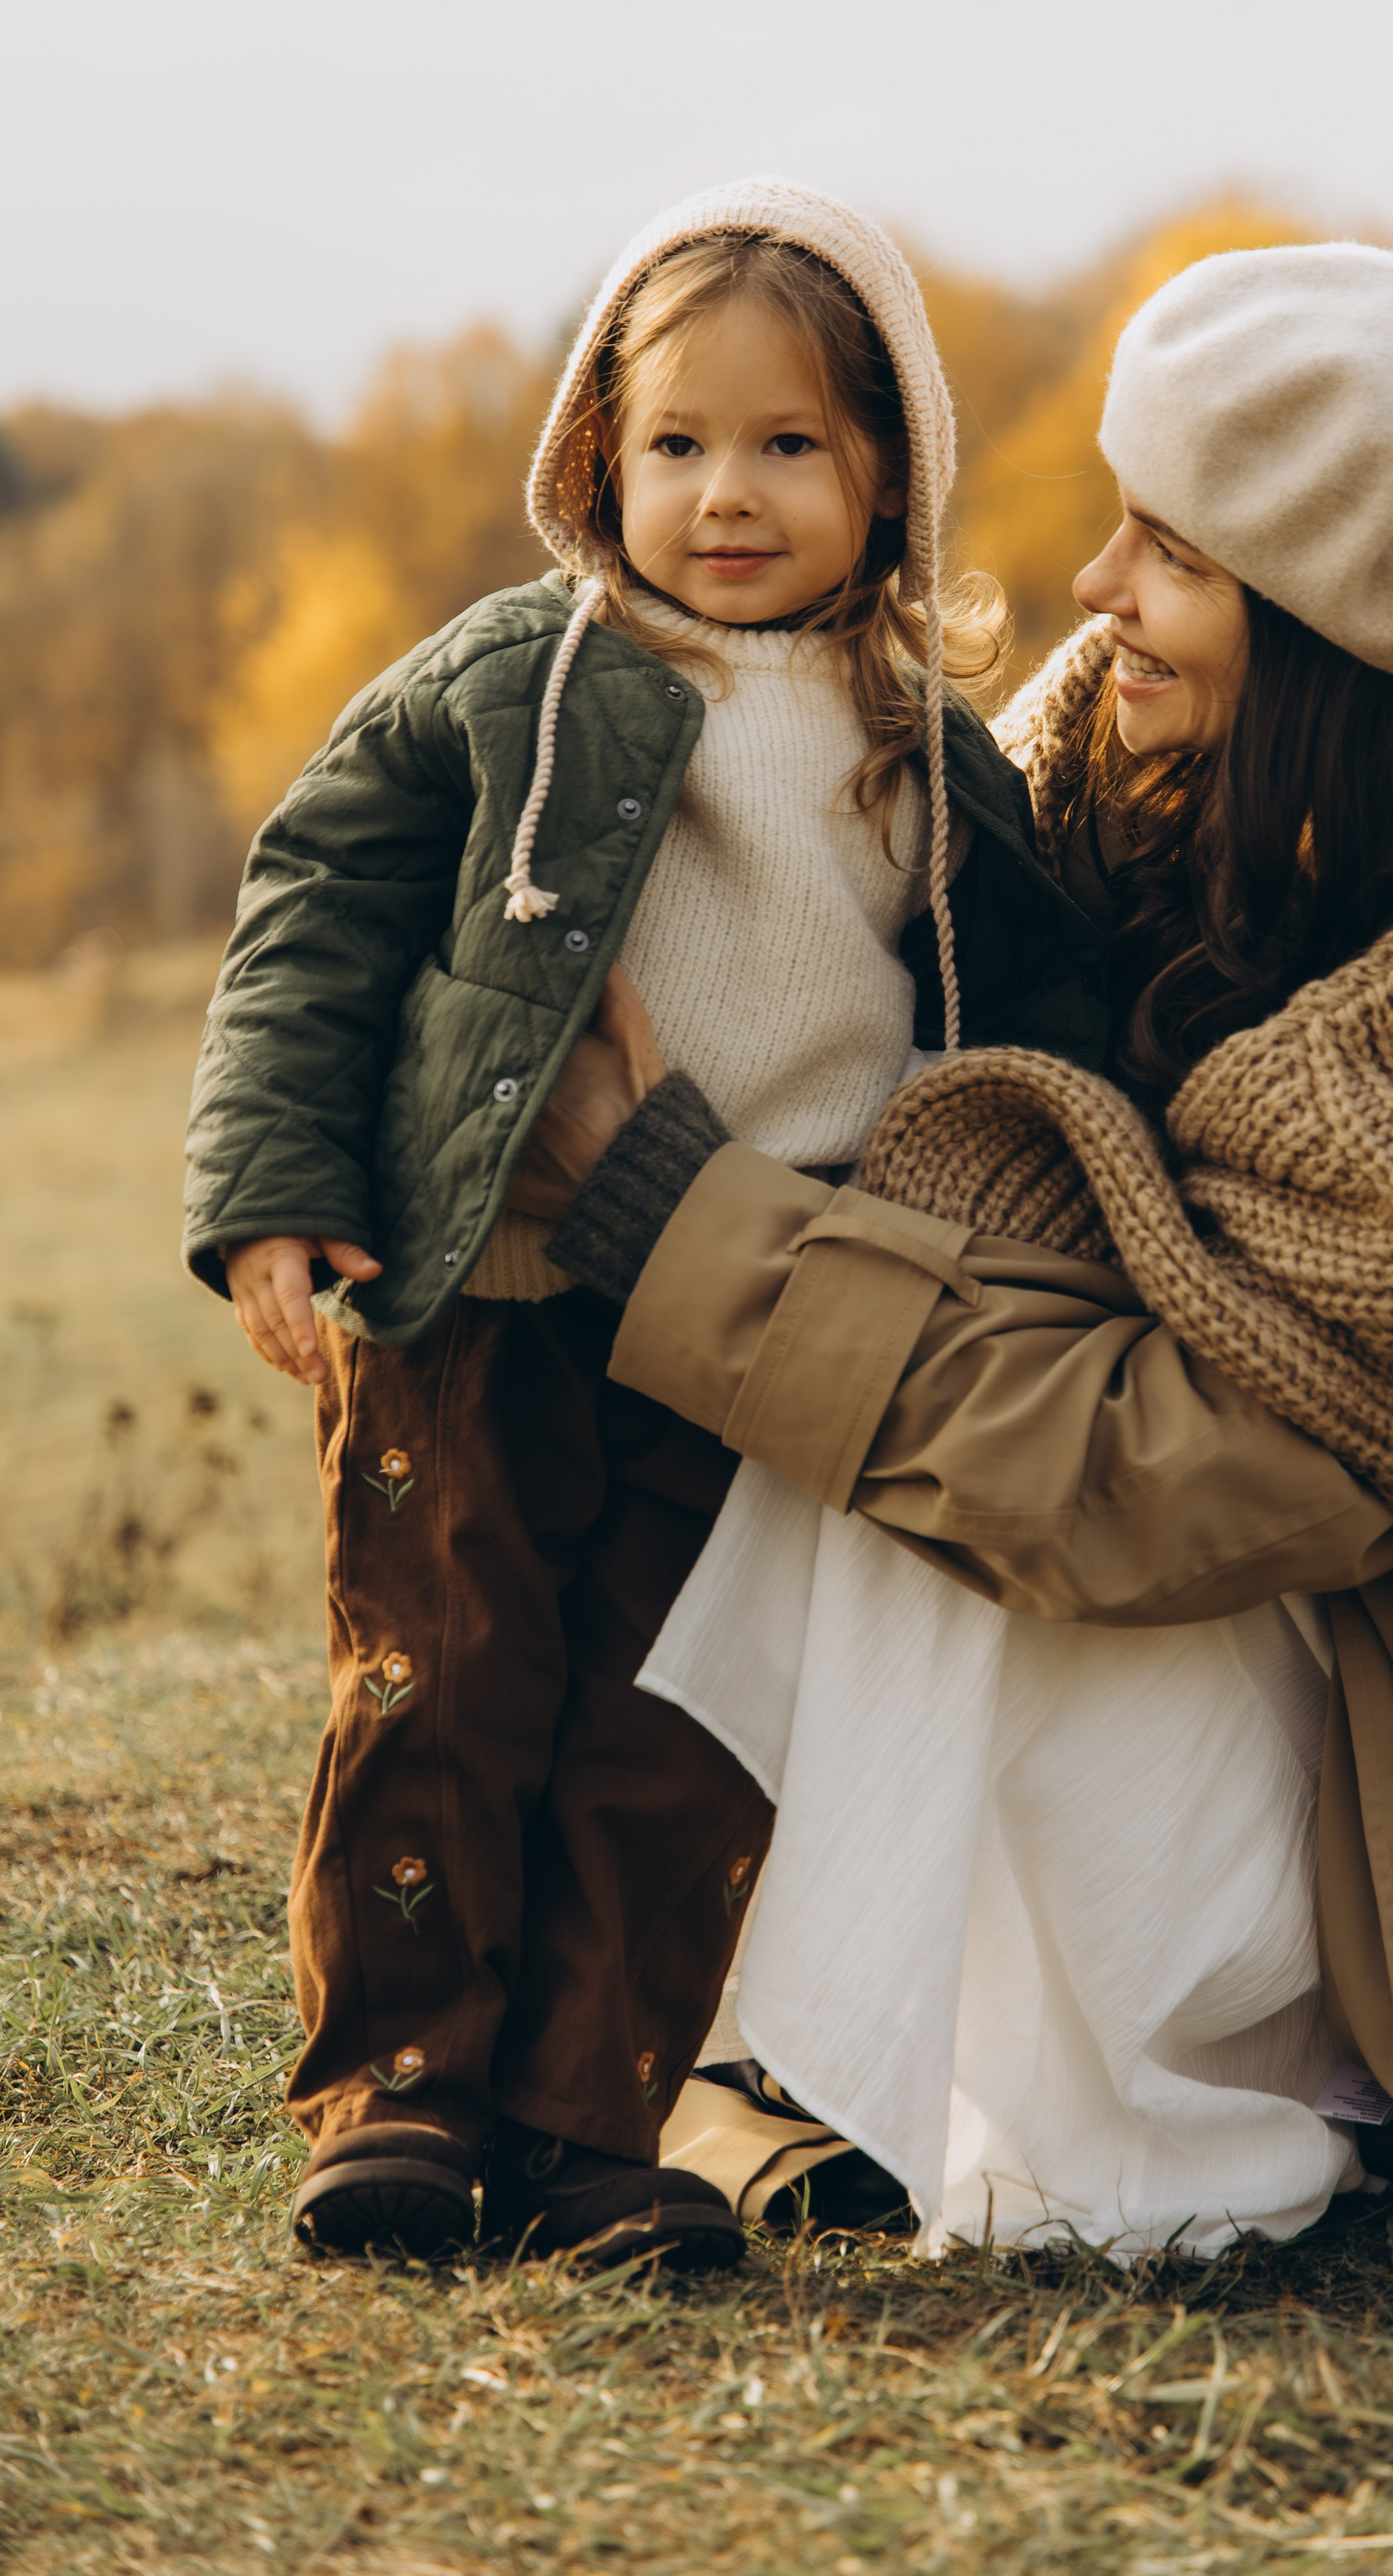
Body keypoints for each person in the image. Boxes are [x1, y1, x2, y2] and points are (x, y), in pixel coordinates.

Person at [520, 241, 1393, 2252]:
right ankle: (759, 2051)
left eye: (1168, 551)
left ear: (1331, 626)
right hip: (1287, 1654)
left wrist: (660, 1222)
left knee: (929, 1480)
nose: (1094, 590)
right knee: (876, 1411)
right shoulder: (1122, 771)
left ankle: (1180, 2128)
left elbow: (1147, 1486)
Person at [180, 181, 1104, 2266]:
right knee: (448, 1677)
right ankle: (402, 2099)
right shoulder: (522, 674)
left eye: (791, 446)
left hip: (748, 1324)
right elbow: (313, 903)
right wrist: (280, 1190)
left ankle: (599, 2131)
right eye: (679, 445)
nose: (730, 494)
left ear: (890, 480)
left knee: (672, 1739)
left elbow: (1043, 1019)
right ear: (601, 463)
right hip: (484, 1299)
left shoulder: (926, 751)